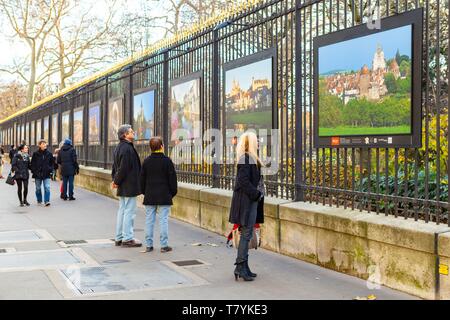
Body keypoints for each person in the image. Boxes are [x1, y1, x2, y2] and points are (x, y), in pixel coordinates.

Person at [229, 132, 265, 282]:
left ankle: (244, 266)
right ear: (250, 143)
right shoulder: (246, 159)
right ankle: (240, 267)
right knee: (246, 234)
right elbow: (243, 181)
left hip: (249, 201)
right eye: (256, 141)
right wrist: (256, 194)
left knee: (247, 233)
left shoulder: (250, 158)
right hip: (246, 202)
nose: (258, 143)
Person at [139, 136, 177, 253]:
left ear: (151, 148)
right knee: (163, 220)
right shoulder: (167, 161)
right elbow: (172, 180)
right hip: (164, 195)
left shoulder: (146, 161)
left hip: (150, 195)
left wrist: (146, 192)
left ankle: (149, 245)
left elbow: (142, 181)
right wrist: (171, 193)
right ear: (161, 147)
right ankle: (164, 245)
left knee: (149, 220)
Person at [112, 125, 142, 248]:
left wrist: (115, 180)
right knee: (129, 212)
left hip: (123, 184)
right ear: (125, 134)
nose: (133, 132)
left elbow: (115, 167)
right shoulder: (127, 148)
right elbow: (123, 168)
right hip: (129, 184)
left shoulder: (119, 147)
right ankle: (127, 238)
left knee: (122, 211)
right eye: (130, 131)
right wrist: (117, 181)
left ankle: (119, 237)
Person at [31, 140, 54, 207]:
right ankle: (39, 200)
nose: (45, 145)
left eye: (45, 144)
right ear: (39, 145)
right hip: (37, 174)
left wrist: (50, 169)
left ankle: (47, 201)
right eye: (43, 144)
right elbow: (32, 164)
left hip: (46, 174)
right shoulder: (35, 154)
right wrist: (34, 171)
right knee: (38, 188)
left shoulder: (49, 154)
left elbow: (52, 163)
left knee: (47, 187)